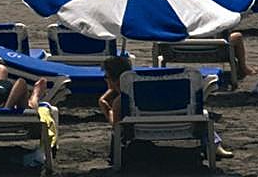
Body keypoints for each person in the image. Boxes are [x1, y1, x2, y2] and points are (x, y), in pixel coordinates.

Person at [99, 55, 233, 160]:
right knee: (203, 114)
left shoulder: (120, 101)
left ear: (114, 79)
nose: (105, 80)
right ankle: (215, 146)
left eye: (106, 77)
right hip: (184, 126)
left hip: (143, 130)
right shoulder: (150, 90)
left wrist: (107, 109)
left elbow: (117, 128)